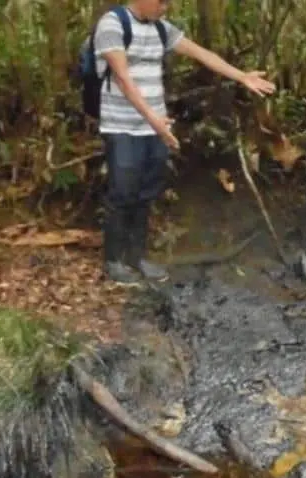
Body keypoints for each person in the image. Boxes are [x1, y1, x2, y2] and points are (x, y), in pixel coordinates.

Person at [93, 0, 276, 284]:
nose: (166, 7)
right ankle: (114, 261)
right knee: (123, 192)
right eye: (161, 1)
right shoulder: (112, 25)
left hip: (156, 128)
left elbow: (201, 53)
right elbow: (122, 78)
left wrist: (241, 76)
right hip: (123, 126)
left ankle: (136, 257)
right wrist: (153, 119)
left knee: (146, 191)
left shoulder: (161, 29)